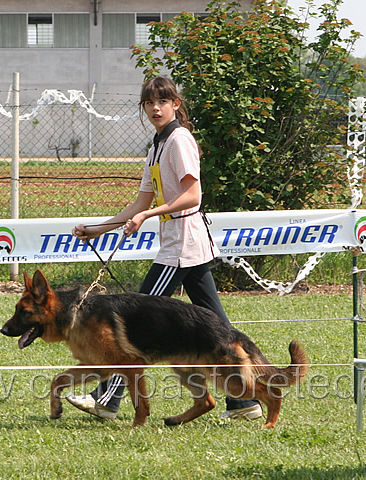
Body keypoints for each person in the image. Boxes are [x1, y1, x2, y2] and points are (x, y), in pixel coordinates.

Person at [69, 76, 262, 422]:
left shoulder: (179, 140)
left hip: (181, 248)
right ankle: (244, 402)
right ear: (144, 108)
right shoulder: (157, 146)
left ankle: (107, 400)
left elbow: (192, 196)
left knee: (134, 319)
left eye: (162, 101)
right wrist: (99, 229)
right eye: (149, 103)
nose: (155, 108)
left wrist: (148, 214)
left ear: (176, 104)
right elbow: (140, 202)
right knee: (217, 327)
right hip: (183, 245)